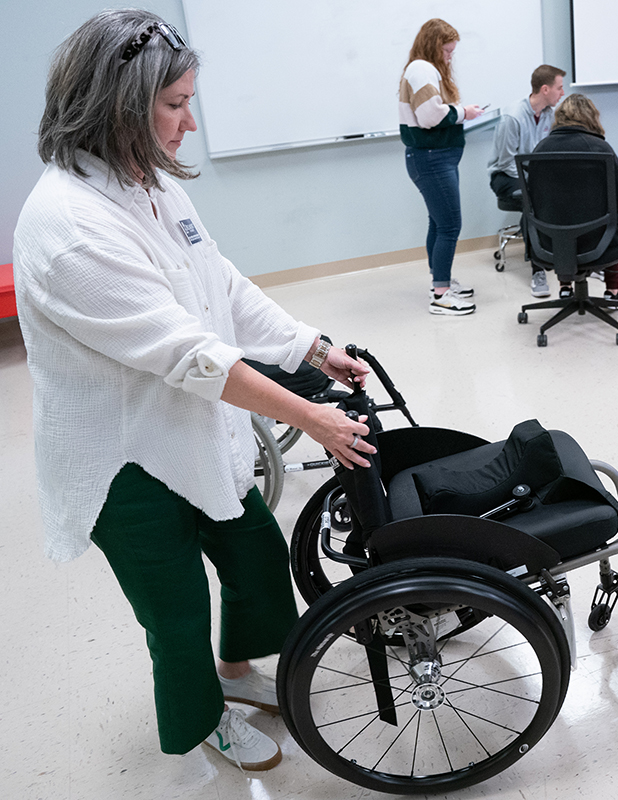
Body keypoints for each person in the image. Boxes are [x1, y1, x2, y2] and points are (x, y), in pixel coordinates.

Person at [13, 9, 377, 774]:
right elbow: (188, 354)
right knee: (175, 616)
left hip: (189, 426)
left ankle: (237, 673)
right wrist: (309, 415)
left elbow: (220, 286)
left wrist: (309, 347)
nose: (188, 124)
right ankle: (205, 720)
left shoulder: (147, 184)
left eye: (189, 102)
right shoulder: (69, 226)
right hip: (122, 460)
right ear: (117, 104)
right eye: (173, 106)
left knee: (252, 553)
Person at [399, 18, 484, 316]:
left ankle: (441, 281)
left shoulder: (422, 68)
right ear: (434, 46)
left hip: (435, 157)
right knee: (449, 225)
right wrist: (465, 111)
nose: (450, 57)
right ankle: (442, 295)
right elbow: (429, 116)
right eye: (447, 51)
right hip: (432, 158)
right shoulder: (422, 69)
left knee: (439, 223)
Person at [531, 94, 618, 304]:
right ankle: (612, 292)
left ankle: (565, 287)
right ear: (591, 118)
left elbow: (533, 199)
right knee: (616, 224)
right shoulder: (601, 149)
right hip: (597, 241)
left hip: (548, 242)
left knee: (560, 220)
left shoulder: (540, 149)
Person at [487, 65, 566, 298]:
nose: (562, 93)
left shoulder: (551, 115)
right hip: (505, 177)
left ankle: (571, 257)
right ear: (545, 89)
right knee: (534, 200)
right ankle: (538, 270)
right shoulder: (512, 116)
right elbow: (506, 162)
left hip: (534, 176)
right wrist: (535, 183)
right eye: (559, 88)